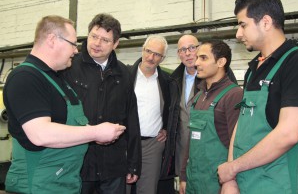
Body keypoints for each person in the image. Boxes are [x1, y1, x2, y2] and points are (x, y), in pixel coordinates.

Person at [4, 15, 125, 194]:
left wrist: (96, 134)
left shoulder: (57, 79)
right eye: (73, 44)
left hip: (64, 184)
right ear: (52, 40)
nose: (76, 51)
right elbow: (40, 134)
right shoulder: (25, 78)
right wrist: (96, 132)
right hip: (37, 186)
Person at [218, 0, 298, 194]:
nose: (238, 34)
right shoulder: (254, 67)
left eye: (242, 25)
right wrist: (230, 179)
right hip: (247, 181)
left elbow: (288, 134)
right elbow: (242, 123)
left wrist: (233, 168)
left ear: (265, 22)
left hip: (279, 185)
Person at [62, 13, 141, 194]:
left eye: (105, 40)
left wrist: (134, 164)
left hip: (113, 165)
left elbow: (131, 119)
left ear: (115, 44)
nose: (97, 43)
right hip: (78, 163)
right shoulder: (69, 67)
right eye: (94, 37)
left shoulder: (124, 73)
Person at [171, 35, 238, 184]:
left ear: (220, 62)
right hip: (194, 172)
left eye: (203, 58)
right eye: (183, 50)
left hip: (217, 175)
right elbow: (189, 139)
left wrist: (231, 180)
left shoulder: (233, 94)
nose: (195, 61)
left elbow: (238, 143)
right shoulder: (197, 95)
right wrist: (183, 176)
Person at [127, 35, 175, 194]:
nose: (151, 57)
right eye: (148, 51)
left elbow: (172, 108)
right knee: (121, 188)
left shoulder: (167, 81)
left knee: (148, 190)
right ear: (143, 49)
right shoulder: (126, 76)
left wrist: (167, 128)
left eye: (157, 54)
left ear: (163, 58)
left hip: (153, 145)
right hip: (126, 143)